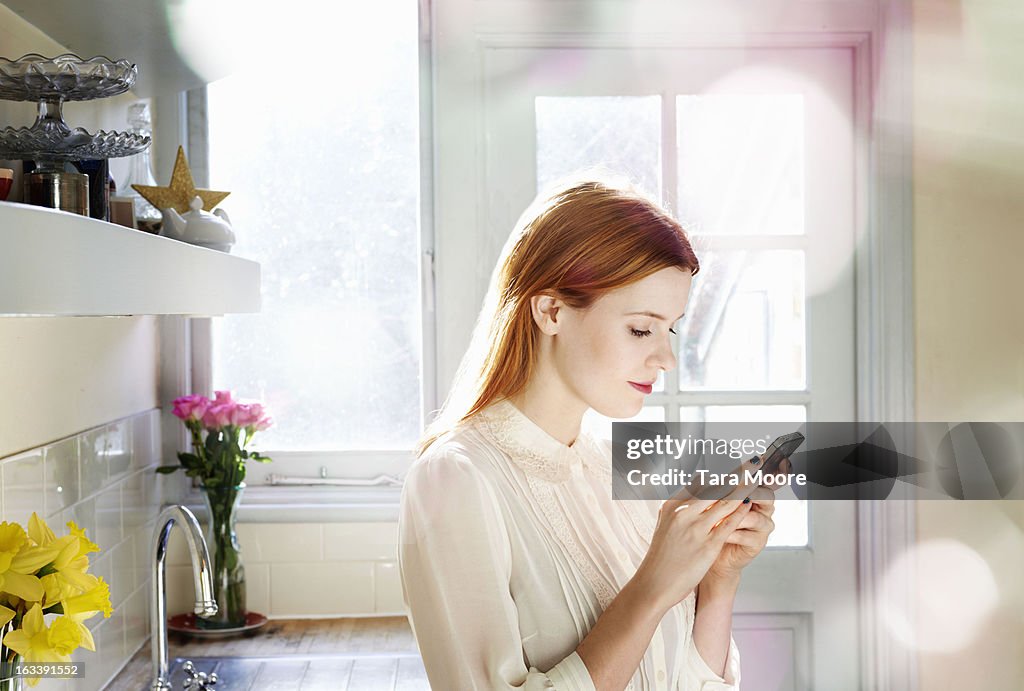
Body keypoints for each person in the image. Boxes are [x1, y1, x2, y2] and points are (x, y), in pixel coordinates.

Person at [399, 178, 783, 690]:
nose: (666, 358)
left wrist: (718, 578)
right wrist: (653, 586)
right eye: (641, 329)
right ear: (551, 311)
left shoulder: (618, 470)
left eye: (669, 330)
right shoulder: (455, 479)